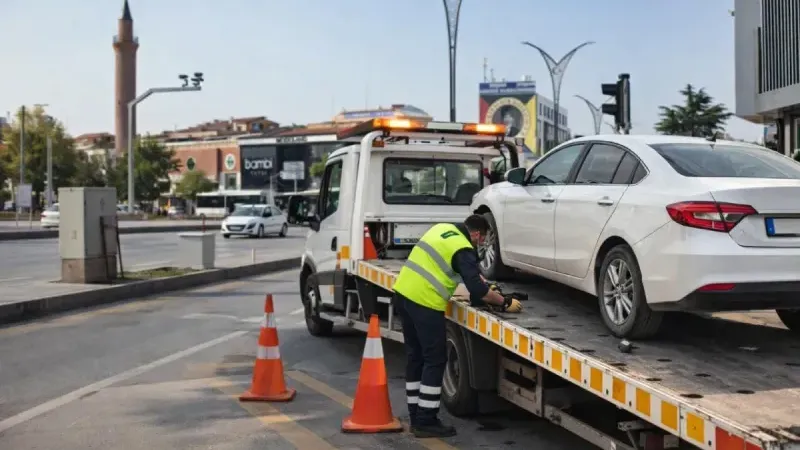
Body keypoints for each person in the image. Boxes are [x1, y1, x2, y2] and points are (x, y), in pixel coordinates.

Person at [392, 214, 521, 438]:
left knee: (416, 357)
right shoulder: (463, 248)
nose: (481, 244)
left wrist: (481, 282)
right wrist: (504, 302)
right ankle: (426, 421)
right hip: (424, 302)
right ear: (477, 234)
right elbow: (477, 290)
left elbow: (461, 272)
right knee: (435, 359)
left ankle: (415, 415)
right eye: (482, 240)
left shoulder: (442, 229)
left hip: (403, 294)